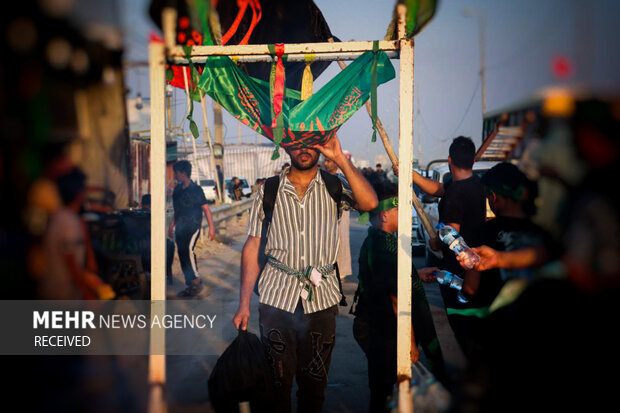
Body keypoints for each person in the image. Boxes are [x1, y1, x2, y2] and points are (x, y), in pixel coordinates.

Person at [233, 135, 378, 413]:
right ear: (286, 146)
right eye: (297, 142)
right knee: (276, 385)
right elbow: (252, 247)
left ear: (320, 147)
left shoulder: (335, 186)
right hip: (276, 299)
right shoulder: (269, 190)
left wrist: (340, 159)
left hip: (321, 302)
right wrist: (243, 305)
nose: (304, 149)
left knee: (314, 386)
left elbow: (370, 203)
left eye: (311, 142)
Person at [352, 179, 447, 412]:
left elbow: (390, 276)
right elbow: (396, 297)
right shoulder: (383, 246)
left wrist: (415, 273)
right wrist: (409, 342)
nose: (405, 214)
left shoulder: (378, 239)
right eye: (399, 209)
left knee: (384, 386)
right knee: (388, 390)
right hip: (385, 328)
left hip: (376, 324)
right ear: (384, 215)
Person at [447, 162, 550, 358]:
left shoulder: (483, 233)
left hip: (498, 332)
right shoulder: (545, 235)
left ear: (493, 197)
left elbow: (470, 289)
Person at [410, 136, 486, 355]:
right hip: (475, 268)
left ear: (450, 160)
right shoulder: (474, 185)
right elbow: (437, 189)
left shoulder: (455, 194)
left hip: (457, 271)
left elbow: (451, 236)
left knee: (463, 327)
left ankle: (475, 378)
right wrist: (410, 175)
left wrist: (435, 241)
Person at [38, 167, 114, 300]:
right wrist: (87, 293)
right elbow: (70, 262)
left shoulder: (62, 217)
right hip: (62, 295)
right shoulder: (68, 222)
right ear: (79, 194)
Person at [168, 160, 215, 297]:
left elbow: (206, 209)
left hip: (193, 225)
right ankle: (190, 282)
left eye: (176, 173)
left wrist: (211, 229)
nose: (174, 175)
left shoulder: (196, 189)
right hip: (180, 226)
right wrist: (171, 225)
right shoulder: (177, 190)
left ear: (183, 173)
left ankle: (196, 280)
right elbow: (176, 210)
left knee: (188, 250)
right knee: (182, 252)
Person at [323, 156, 353, 278]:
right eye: (325, 161)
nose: (326, 164)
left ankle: (341, 274)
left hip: (342, 214)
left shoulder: (342, 178)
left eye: (329, 161)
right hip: (326, 217)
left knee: (342, 242)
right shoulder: (321, 177)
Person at [141, 194, 176, 286]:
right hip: (150, 250)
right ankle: (166, 271)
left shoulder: (137, 214)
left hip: (138, 248)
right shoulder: (153, 215)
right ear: (151, 204)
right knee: (170, 245)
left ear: (141, 204)